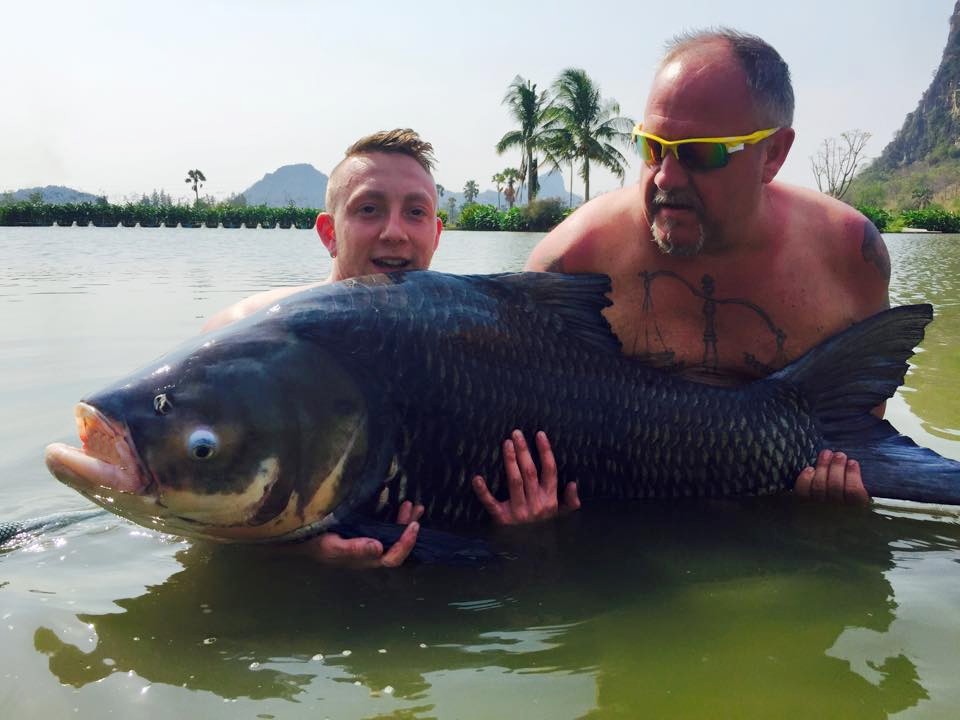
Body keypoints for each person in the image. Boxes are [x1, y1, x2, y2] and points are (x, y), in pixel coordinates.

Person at [527, 29, 887, 503]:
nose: (666, 177)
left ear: (773, 154)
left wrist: (841, 495)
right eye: (652, 148)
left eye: (700, 153)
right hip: (621, 510)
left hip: (772, 513)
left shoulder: (848, 256)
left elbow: (860, 431)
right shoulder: (573, 259)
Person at [205, 129, 579, 567]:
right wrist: (296, 551)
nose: (394, 232)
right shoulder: (241, 339)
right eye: (369, 209)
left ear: (436, 235)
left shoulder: (480, 337)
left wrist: (527, 531)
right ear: (329, 232)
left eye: (415, 212)